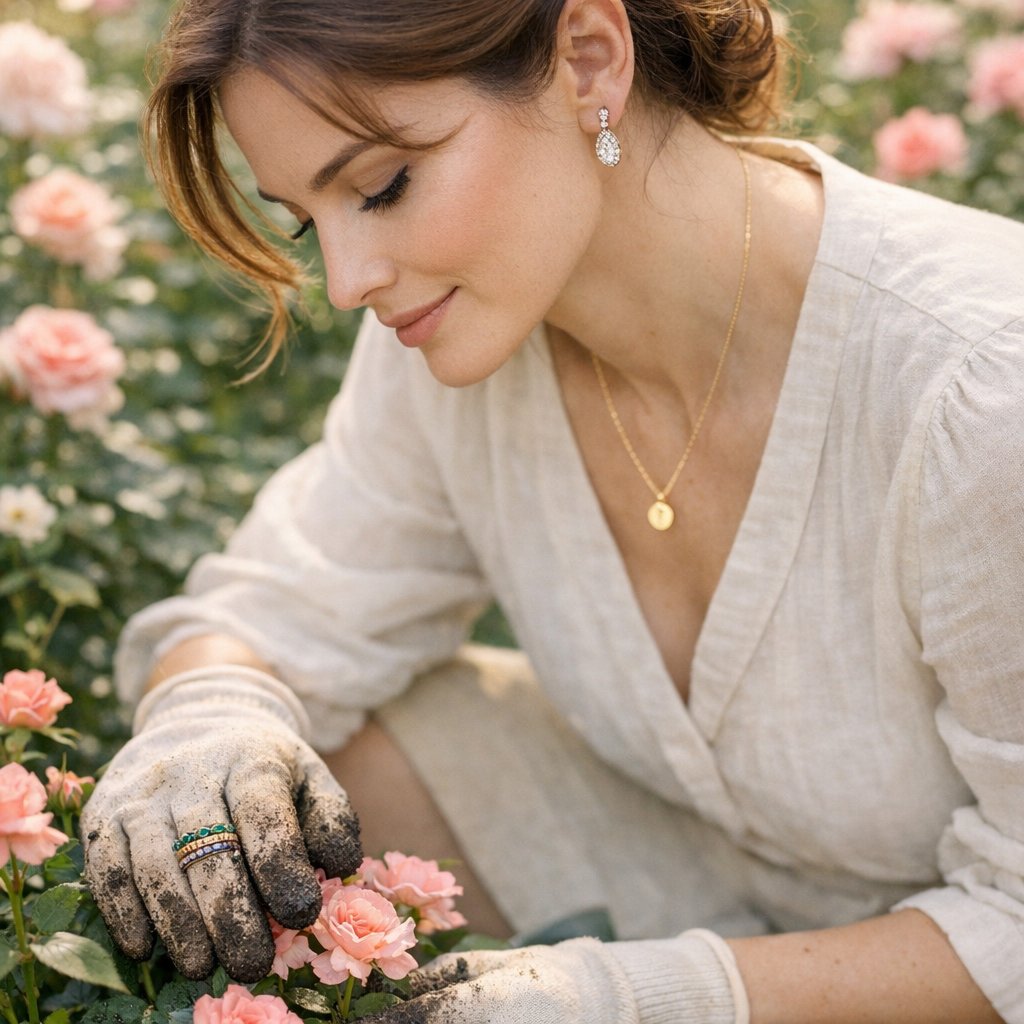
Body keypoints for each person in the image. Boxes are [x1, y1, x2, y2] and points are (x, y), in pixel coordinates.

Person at [80, 0, 1024, 1021]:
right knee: (267, 775)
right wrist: (205, 717)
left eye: (383, 185)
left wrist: (645, 998)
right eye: (310, 222)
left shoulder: (978, 386)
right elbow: (278, 612)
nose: (348, 281)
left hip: (959, 960)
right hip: (674, 857)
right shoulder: (455, 334)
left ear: (588, 60)